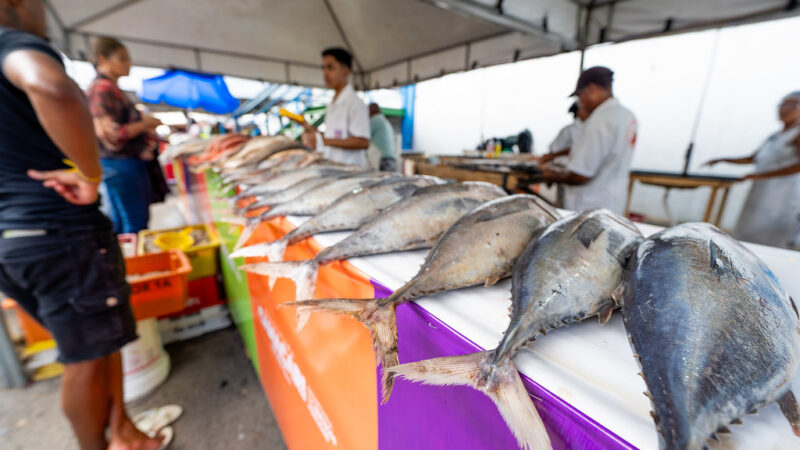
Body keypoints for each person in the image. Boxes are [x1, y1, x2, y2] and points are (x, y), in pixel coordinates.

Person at [0, 1, 167, 449]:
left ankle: (122, 433)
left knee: (98, 342)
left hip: (16, 239)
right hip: (56, 232)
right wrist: (91, 176)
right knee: (84, 358)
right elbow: (50, 86)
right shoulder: (12, 44)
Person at [705, 91, 800, 248]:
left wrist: (757, 176)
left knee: (771, 239)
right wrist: (722, 160)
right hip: (761, 193)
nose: (785, 109)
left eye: (793, 105)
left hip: (784, 196)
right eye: (783, 104)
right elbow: (752, 158)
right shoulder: (775, 136)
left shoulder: (797, 134)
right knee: (748, 234)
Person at [86, 37, 162, 234]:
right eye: (122, 58)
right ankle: (135, 263)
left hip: (123, 164)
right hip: (121, 164)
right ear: (103, 59)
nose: (129, 64)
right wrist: (145, 124)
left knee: (125, 221)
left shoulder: (112, 89)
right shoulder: (102, 89)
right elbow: (112, 135)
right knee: (134, 223)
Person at [540, 66, 638, 215]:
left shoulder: (599, 121)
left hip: (588, 209)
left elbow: (580, 176)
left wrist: (549, 175)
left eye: (580, 96)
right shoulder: (627, 116)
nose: (580, 102)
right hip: (613, 203)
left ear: (592, 89)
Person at [301, 47, 370, 167]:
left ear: (345, 70)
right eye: (323, 68)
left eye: (330, 67)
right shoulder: (333, 103)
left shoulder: (355, 102)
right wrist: (308, 128)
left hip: (351, 171)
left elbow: (363, 141)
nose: (325, 73)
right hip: (334, 167)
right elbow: (333, 136)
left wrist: (323, 141)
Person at [369, 103, 397, 171]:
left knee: (382, 180)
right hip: (391, 158)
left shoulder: (375, 120)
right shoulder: (384, 120)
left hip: (384, 159)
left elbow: (363, 137)